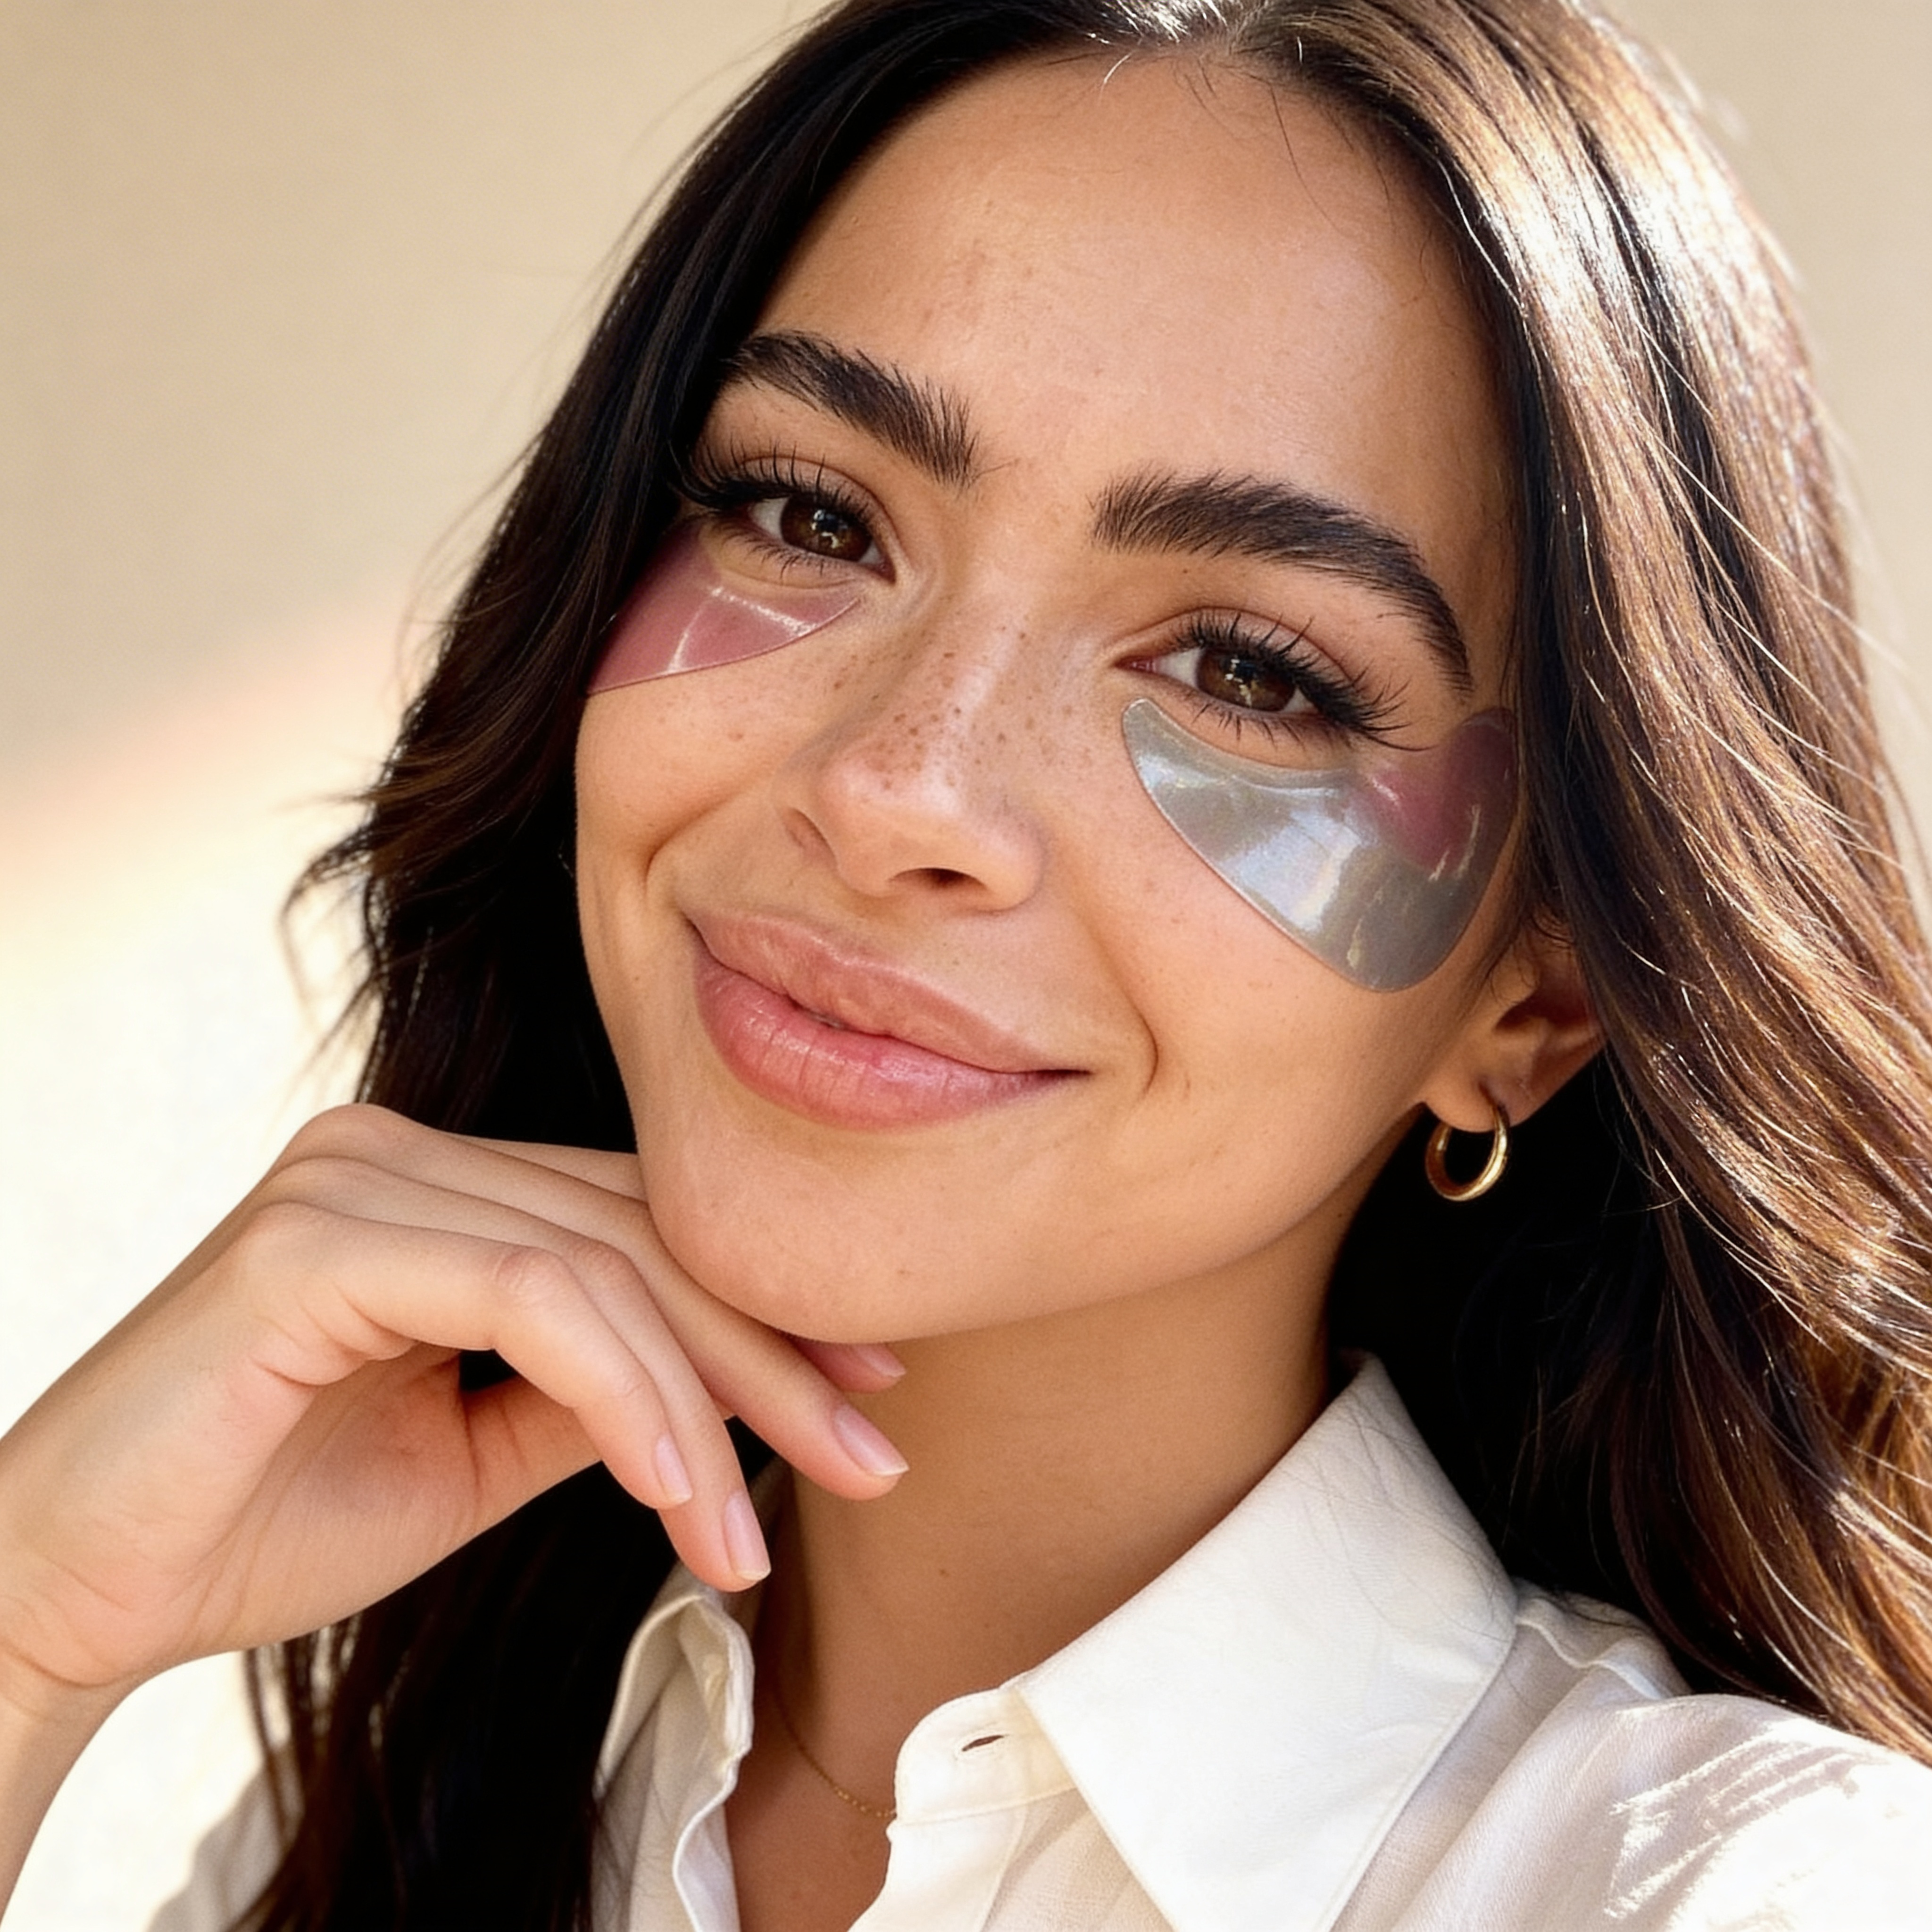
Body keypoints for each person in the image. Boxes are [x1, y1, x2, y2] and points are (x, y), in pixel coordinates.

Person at [4, 0, 1932, 1925]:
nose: (891, 784)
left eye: (1248, 671)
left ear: (1533, 1001)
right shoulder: (373, 1828)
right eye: (808, 513)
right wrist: (31, 1633)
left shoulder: (1743, 1893)